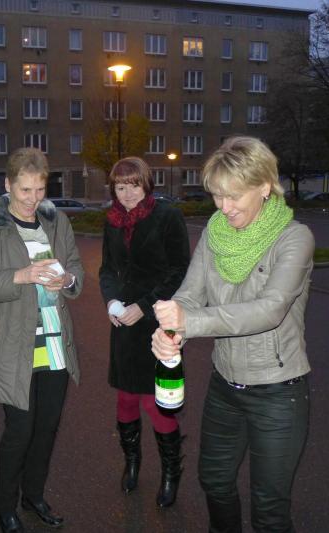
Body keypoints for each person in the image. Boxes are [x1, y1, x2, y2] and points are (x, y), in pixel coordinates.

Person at [151, 136, 314, 532]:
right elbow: (190, 294)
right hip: (225, 386)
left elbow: (269, 309)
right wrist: (171, 329)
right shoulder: (215, 231)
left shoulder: (294, 238)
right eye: (217, 196)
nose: (224, 207)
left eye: (233, 196)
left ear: (264, 186)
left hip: (277, 392)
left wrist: (190, 323)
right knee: (214, 481)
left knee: (269, 508)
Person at [0, 148, 84, 533]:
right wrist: (21, 276)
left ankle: (34, 496)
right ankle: (5, 506)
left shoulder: (56, 220)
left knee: (46, 430)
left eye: (40, 190)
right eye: (25, 190)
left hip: (55, 344)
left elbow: (75, 267)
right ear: (8, 185)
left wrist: (68, 280)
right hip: (14, 347)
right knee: (19, 432)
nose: (33, 199)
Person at [98, 157, 190, 508]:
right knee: (125, 398)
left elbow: (179, 271)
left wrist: (145, 306)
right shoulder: (112, 221)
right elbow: (108, 269)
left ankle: (170, 473)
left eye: (134, 185)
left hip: (158, 321)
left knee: (156, 403)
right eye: (120, 187)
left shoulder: (167, 216)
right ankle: (132, 462)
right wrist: (111, 302)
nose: (127, 194)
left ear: (147, 184)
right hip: (124, 322)